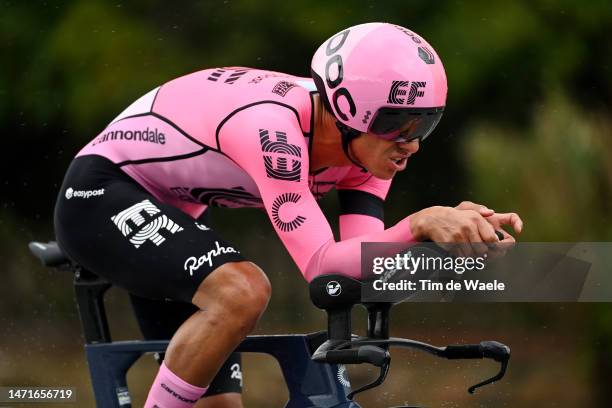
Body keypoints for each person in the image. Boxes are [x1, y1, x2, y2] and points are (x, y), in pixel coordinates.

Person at [53, 22, 522, 408]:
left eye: (426, 123)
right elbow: (321, 265)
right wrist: (419, 222)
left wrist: (453, 241)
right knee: (242, 291)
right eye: (398, 124)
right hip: (101, 192)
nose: (412, 143)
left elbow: (359, 267)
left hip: (177, 212)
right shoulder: (272, 129)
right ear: (344, 108)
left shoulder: (371, 153)